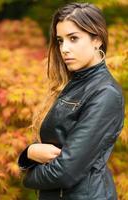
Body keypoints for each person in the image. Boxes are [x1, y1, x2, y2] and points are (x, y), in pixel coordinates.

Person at [18, 2, 124, 200]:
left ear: (97, 40)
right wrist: (29, 153)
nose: (64, 49)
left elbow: (65, 171)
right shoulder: (71, 83)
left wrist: (27, 176)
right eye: (60, 40)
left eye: (73, 38)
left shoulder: (105, 93)